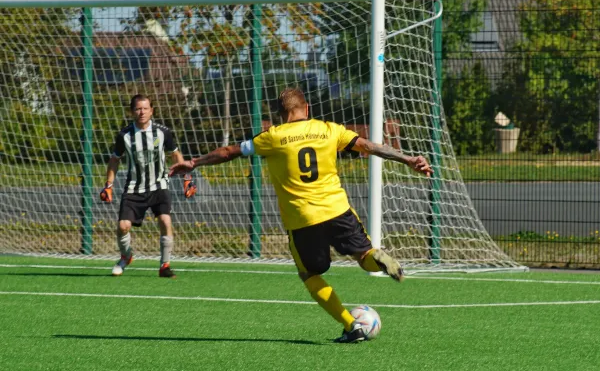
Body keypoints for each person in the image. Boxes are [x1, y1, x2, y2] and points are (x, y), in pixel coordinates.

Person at [170, 88, 432, 342]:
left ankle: (351, 325)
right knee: (363, 256)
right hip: (337, 209)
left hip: (302, 220)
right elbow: (369, 146)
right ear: (307, 108)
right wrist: (407, 159)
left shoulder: (272, 137)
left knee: (310, 275)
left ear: (279, 114)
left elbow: (229, 152)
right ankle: (377, 257)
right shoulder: (329, 129)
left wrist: (193, 163)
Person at [100, 94, 197, 278]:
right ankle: (126, 256)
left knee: (165, 221)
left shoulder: (163, 132)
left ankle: (164, 266)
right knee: (122, 226)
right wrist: (108, 185)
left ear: (152, 111)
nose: (141, 112)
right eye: (138, 109)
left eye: (145, 108)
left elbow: (176, 155)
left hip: (159, 185)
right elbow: (114, 160)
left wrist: (187, 179)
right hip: (134, 188)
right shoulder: (124, 135)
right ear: (132, 112)